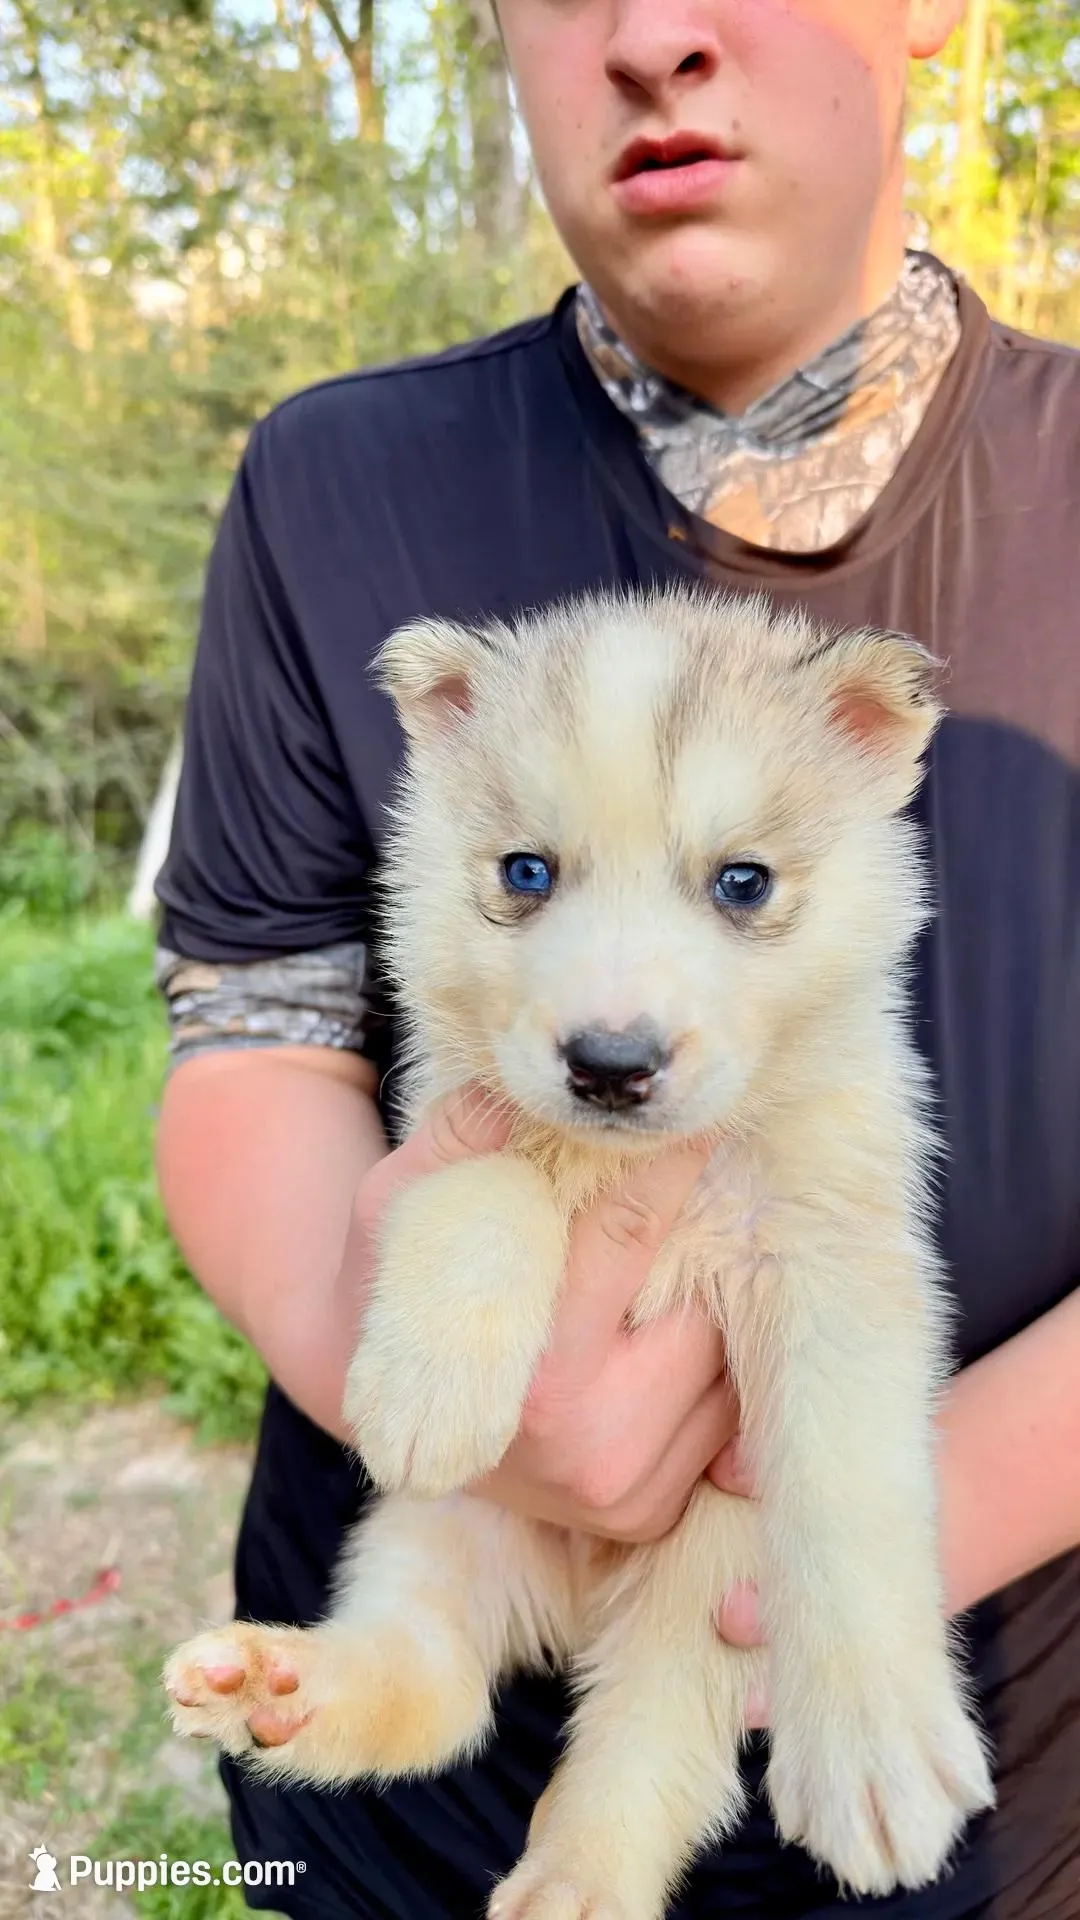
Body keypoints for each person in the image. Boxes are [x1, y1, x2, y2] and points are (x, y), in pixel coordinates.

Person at [152, 2, 1080, 1915]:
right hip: (393, 1845)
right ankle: (403, 1694)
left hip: (1017, 1786)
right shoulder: (331, 481)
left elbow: (832, 1291)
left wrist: (825, 1591)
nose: (655, 32)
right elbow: (251, 1031)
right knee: (438, 1551)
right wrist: (425, 1377)